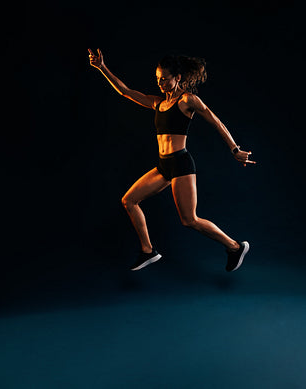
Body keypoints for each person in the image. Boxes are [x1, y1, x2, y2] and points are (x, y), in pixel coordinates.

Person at [88, 48, 256, 272]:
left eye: (165, 79)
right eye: (158, 79)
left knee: (189, 220)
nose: (161, 84)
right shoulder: (158, 103)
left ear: (178, 78)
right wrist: (102, 68)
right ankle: (148, 251)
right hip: (163, 166)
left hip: (181, 164)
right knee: (129, 201)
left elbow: (216, 122)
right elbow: (125, 91)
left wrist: (235, 149)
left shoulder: (188, 100)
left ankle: (235, 247)